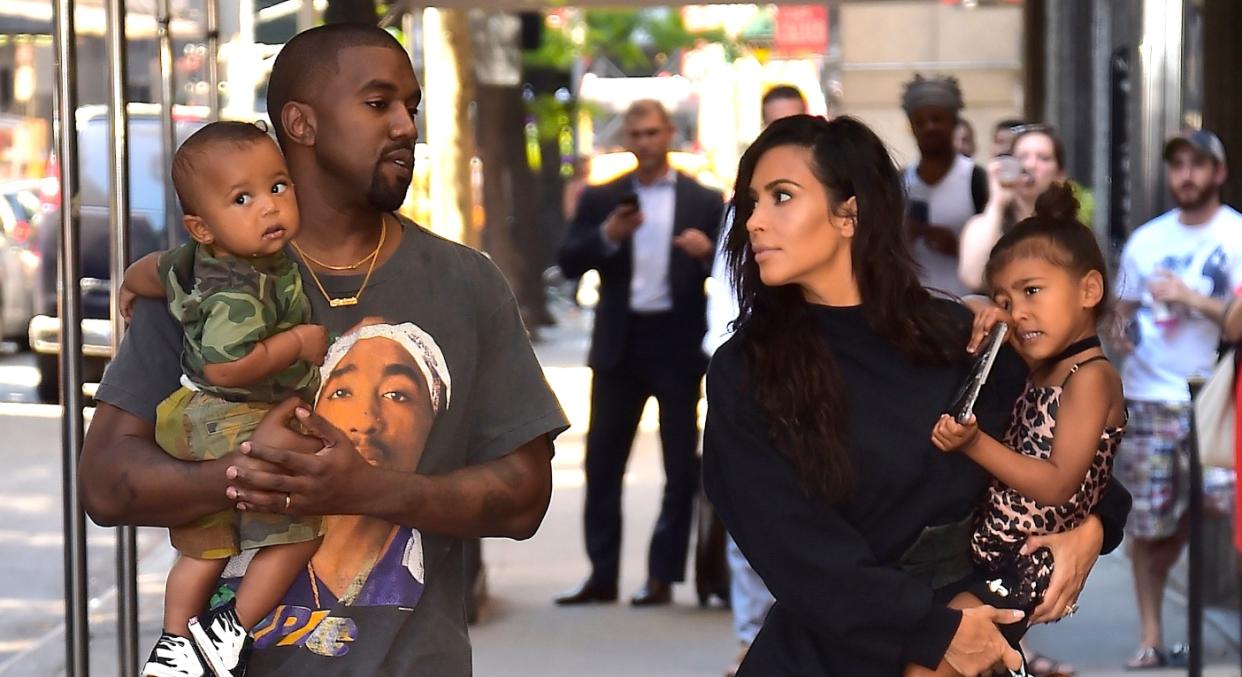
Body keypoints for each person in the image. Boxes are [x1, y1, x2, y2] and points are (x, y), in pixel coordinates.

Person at [80, 23, 568, 676]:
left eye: (411, 107)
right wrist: (241, 476)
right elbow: (106, 482)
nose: (404, 125)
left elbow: (525, 495)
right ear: (301, 124)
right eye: (378, 103)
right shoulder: (203, 278)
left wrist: (370, 488)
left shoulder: (467, 283)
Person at [702, 114, 1132, 676]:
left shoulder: (960, 340)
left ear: (849, 213)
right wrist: (934, 632)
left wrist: (1090, 531)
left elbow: (1075, 469)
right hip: (825, 659)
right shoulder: (746, 371)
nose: (754, 221)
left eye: (781, 196)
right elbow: (794, 551)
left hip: (971, 653)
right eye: (750, 201)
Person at [117, 121, 328, 677]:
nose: (268, 208)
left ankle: (172, 645)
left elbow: (148, 269)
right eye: (243, 198)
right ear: (201, 226)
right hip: (232, 415)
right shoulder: (242, 287)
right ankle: (226, 628)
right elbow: (226, 364)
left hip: (190, 416)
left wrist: (128, 288)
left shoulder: (188, 259)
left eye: (278, 187)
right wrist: (297, 342)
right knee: (296, 535)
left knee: (203, 550)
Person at [912, 183, 1127, 676]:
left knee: (936, 660)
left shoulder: (1090, 377)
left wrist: (974, 444)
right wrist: (978, 307)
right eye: (1005, 300)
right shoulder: (1040, 363)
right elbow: (962, 299)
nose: (1018, 313)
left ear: (1088, 290)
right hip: (993, 549)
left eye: (1032, 291)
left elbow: (1057, 483)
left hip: (1027, 561)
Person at [555, 99, 723, 607]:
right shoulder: (604, 197)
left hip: (676, 343)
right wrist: (608, 235)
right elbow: (567, 261)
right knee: (603, 463)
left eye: (654, 132)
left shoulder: (703, 200)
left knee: (679, 466)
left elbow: (739, 267)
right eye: (637, 133)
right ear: (626, 139)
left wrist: (708, 253)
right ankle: (601, 574)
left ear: (670, 133)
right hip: (619, 345)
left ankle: (661, 576)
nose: (646, 141)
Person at [1111, 128, 1242, 669]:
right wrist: (1123, 330)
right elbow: (1122, 308)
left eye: (1197, 164)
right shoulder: (1147, 240)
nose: (1184, 175)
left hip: (1220, 396)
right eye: (1177, 165)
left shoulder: (1235, 235)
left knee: (1228, 510)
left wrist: (1190, 297)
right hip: (1150, 397)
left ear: (1218, 173)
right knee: (1151, 525)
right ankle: (1150, 636)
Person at [706, 83, 806, 677]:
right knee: (750, 523)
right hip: (756, 365)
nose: (760, 221)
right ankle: (750, 637)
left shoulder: (925, 337)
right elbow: (727, 288)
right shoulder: (740, 368)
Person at [900, 74, 988, 298]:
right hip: (912, 309)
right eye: (920, 121)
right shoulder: (898, 183)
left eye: (937, 119)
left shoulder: (976, 180)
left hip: (967, 308)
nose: (929, 127)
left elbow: (999, 254)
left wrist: (957, 248)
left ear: (953, 122)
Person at [958, 124, 1070, 293]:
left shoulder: (1071, 231)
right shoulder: (985, 223)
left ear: (1060, 174)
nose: (1030, 165)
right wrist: (997, 203)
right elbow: (973, 277)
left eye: (1043, 158)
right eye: (1022, 157)